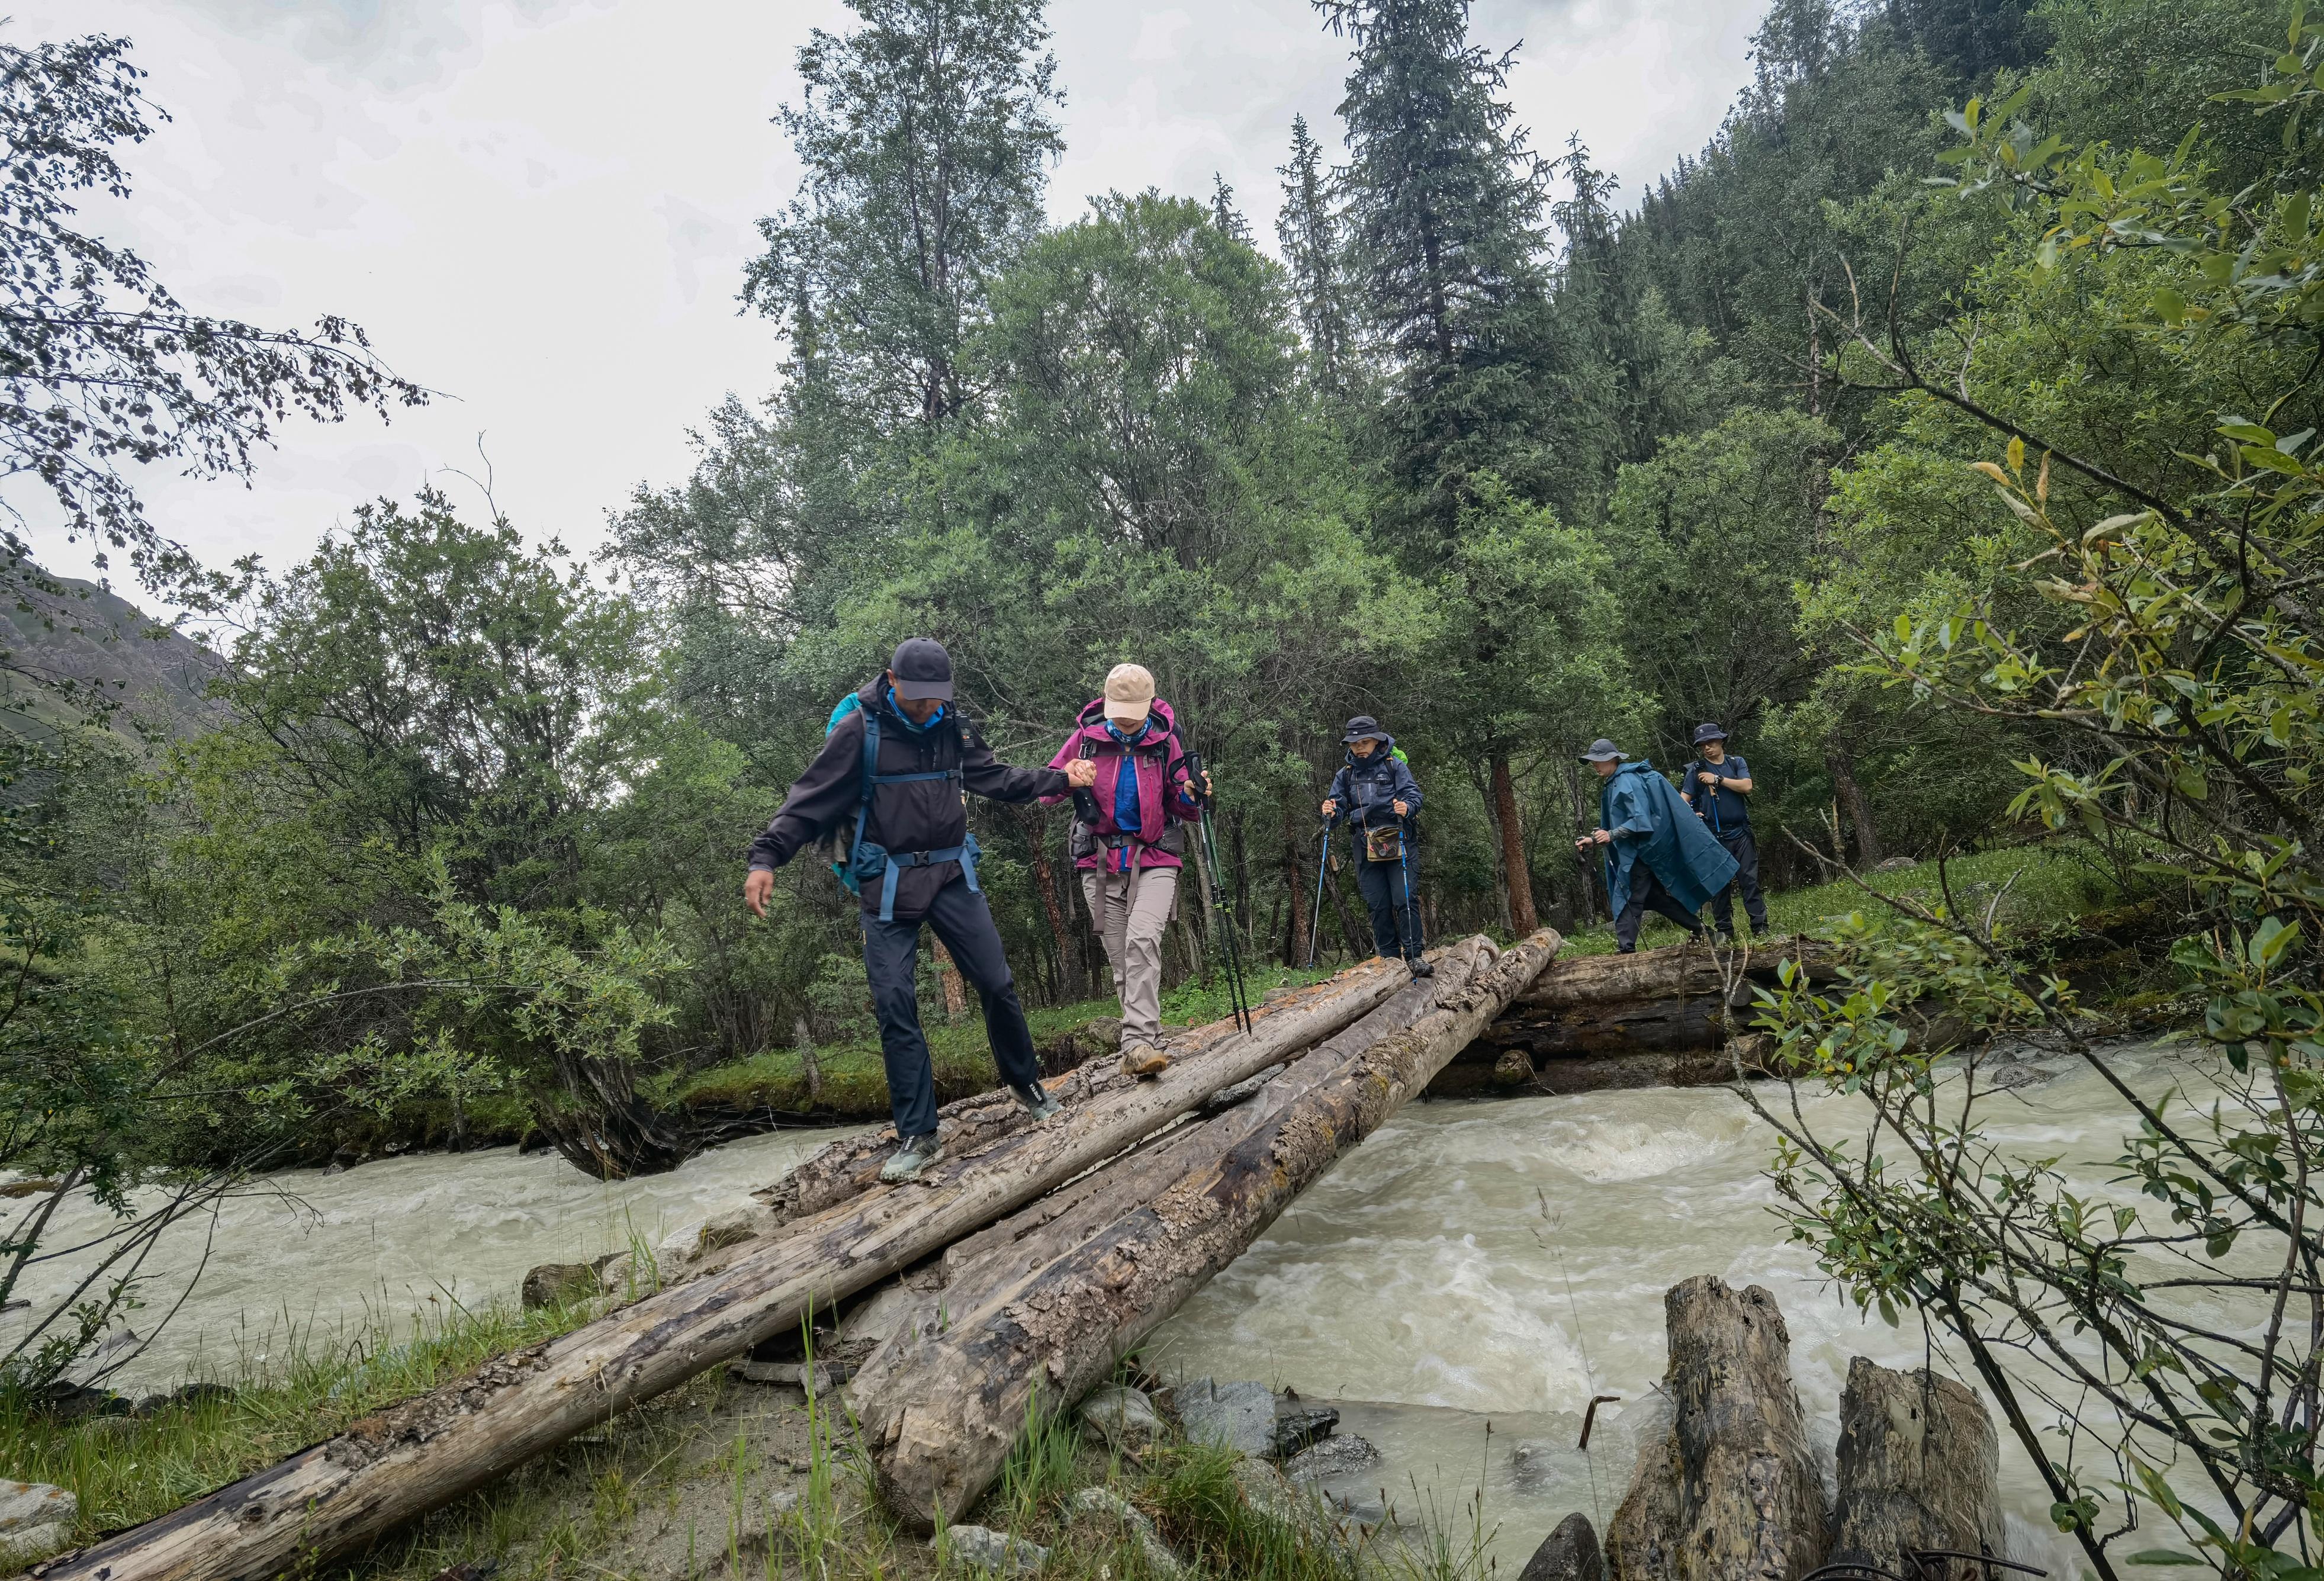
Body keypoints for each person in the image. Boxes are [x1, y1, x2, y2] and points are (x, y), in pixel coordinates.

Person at [744, 638, 1100, 1183]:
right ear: (891, 681)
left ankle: (1026, 1085)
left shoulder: (953, 727)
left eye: (936, 697)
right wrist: (766, 858)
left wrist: (1060, 779)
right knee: (895, 1003)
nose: (927, 707)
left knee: (997, 983)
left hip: (952, 875)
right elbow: (808, 800)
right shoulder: (859, 732)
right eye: (917, 697)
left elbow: (995, 778)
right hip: (887, 883)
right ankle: (918, 1134)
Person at [1043, 663, 1210, 1079]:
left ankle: (1136, 1044)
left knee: (1142, 942)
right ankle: (1145, 1047)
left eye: (1134, 712)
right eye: (1119, 712)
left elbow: (1186, 807)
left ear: (1150, 704)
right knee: (1123, 963)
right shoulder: (1086, 740)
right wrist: (1068, 778)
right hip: (1098, 861)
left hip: (1155, 857)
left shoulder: (1165, 742)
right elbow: (1046, 792)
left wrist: (1194, 793)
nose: (1126, 721)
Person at [1573, 738, 1738, 954]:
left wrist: (1610, 835)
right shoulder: (1616, 781)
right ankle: (1707, 933)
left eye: (1598, 760)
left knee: (1629, 896)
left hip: (1642, 852)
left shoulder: (1626, 782)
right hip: (1643, 850)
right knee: (1655, 898)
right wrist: (1594, 839)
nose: (1595, 765)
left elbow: (1640, 821)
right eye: (1593, 761)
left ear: (1613, 759)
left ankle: (1626, 950)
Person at [1320, 715, 1432, 978]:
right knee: (1377, 904)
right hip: (1365, 843)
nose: (1359, 748)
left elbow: (1414, 795)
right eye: (1354, 744)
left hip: (1399, 838)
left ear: (1376, 741)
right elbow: (1337, 809)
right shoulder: (1346, 774)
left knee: (1404, 899)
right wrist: (1331, 813)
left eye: (1364, 742)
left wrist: (1407, 806)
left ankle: (1414, 957)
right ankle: (1390, 961)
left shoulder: (1394, 766)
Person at [1677, 722, 1769, 941]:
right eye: (1702, 745)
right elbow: (1681, 802)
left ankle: (1760, 928)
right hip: (1713, 836)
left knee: (1750, 881)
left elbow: (1747, 786)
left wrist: (1718, 780)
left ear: (1721, 741)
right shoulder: (1696, 771)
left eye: (1710, 742)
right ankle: (1725, 933)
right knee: (1719, 886)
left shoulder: (1736, 763)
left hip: (1741, 832)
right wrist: (1693, 815)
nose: (1707, 748)